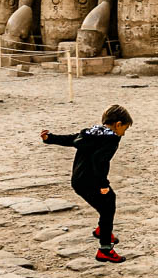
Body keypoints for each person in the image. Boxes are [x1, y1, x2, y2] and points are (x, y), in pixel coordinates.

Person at [40, 104, 132, 263]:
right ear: (118, 124)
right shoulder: (111, 139)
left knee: (107, 204)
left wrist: (50, 138)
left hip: (78, 180)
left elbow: (71, 139)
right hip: (92, 180)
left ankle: (102, 230)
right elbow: (100, 161)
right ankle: (105, 249)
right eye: (125, 128)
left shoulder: (91, 132)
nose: (124, 132)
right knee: (108, 205)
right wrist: (103, 184)